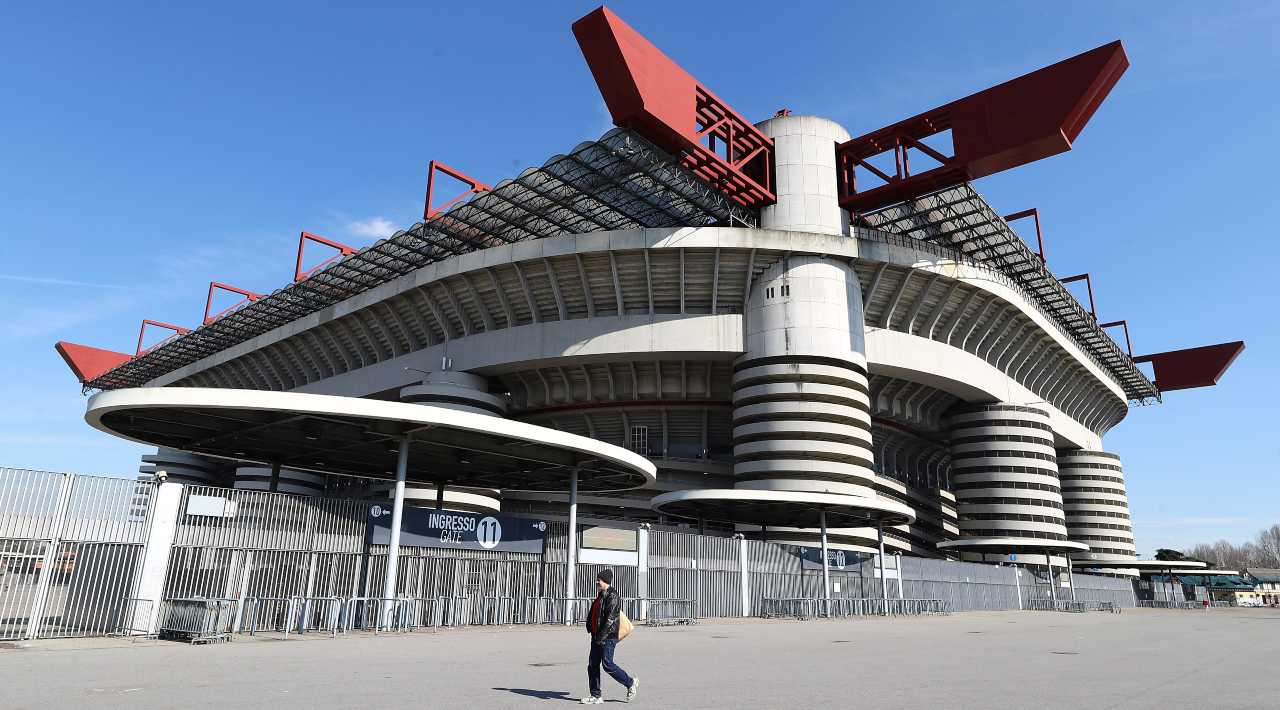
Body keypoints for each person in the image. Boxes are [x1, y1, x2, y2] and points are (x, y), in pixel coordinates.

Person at [581, 568, 638, 704]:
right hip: (597, 635)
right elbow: (595, 612)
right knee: (592, 664)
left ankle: (630, 682)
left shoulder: (612, 596)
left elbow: (610, 619)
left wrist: (601, 637)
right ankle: (596, 696)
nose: (597, 582)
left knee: (607, 664)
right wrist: (590, 625)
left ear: (605, 581)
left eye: (599, 580)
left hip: (608, 636)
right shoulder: (601, 595)